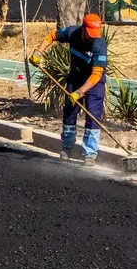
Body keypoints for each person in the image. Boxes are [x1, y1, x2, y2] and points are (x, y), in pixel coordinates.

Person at [30, 13, 107, 166]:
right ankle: (67, 147)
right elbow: (52, 36)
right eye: (89, 34)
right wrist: (38, 52)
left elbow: (97, 73)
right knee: (70, 111)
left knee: (93, 115)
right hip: (76, 77)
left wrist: (80, 92)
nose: (92, 38)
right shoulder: (72, 33)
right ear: (83, 29)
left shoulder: (99, 44)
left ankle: (90, 154)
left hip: (94, 82)